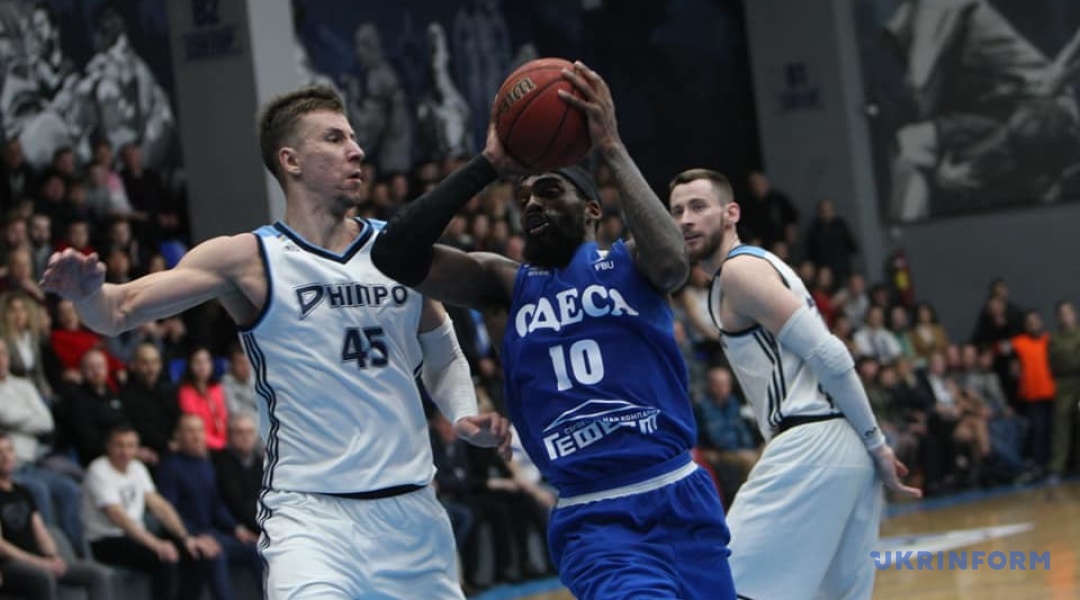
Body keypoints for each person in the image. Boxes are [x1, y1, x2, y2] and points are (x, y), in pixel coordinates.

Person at [41, 84, 510, 599]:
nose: (356, 150)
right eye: (334, 139)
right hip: (312, 520)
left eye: (353, 138)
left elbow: (440, 346)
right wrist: (87, 294)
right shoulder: (248, 259)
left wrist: (462, 414)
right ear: (291, 160)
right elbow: (117, 311)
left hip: (412, 515)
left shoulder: (397, 248)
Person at [371, 61, 736, 599]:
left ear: (591, 209)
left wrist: (610, 145)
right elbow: (393, 254)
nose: (532, 204)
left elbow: (674, 263)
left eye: (547, 191)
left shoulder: (631, 262)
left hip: (679, 494)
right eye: (523, 200)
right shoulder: (504, 285)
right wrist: (488, 165)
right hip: (596, 518)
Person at [667, 168, 921, 600]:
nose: (685, 220)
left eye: (698, 207)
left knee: (718, 587)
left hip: (812, 441)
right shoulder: (756, 268)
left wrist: (878, 443)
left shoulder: (740, 271)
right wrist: (869, 446)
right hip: (841, 448)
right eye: (676, 211)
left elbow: (830, 355)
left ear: (731, 213)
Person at [0, 432, 111, 600]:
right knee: (43, 578)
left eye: (9, 450)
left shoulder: (23, 492)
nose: (6, 457)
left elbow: (40, 531)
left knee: (97, 574)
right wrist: (39, 563)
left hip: (37, 559)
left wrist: (53, 557)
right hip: (11, 563)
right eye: (0, 453)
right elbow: (2, 546)